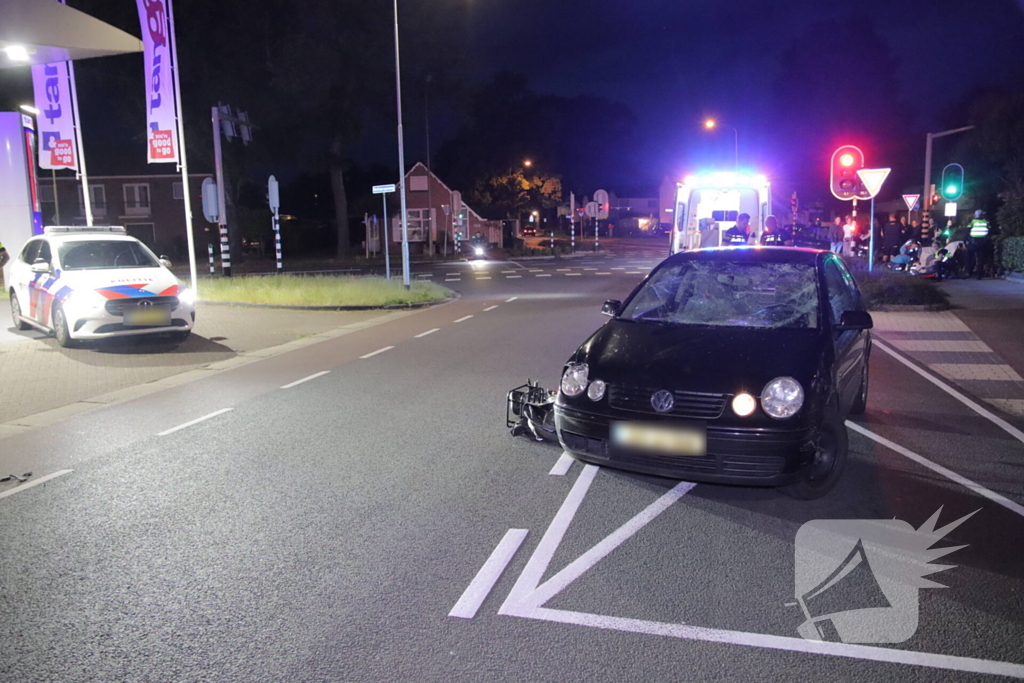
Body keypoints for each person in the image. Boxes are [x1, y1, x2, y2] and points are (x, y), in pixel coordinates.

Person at [967, 209, 992, 279]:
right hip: (982, 242)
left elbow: (967, 231)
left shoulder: (973, 222)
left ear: (975, 215)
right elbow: (990, 230)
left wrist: (965, 240)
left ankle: (969, 272)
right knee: (980, 259)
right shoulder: (986, 222)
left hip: (973, 242)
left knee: (970, 257)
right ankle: (979, 275)